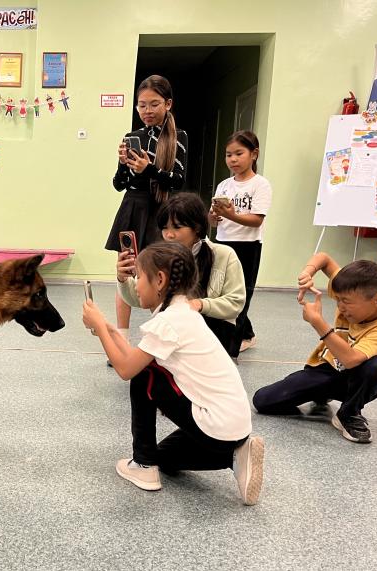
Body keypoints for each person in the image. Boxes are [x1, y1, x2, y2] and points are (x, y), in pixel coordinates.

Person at [83, 242, 264, 505]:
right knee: (164, 457)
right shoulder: (182, 313)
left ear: (159, 280)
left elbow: (126, 369)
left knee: (144, 376)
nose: (136, 286)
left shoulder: (168, 322)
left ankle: (143, 467)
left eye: (139, 278)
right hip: (231, 428)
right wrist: (110, 329)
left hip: (214, 426)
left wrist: (99, 327)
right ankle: (235, 457)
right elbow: (135, 356)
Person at [252, 253, 377, 444]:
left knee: (374, 367)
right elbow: (324, 258)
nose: (340, 306)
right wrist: (307, 273)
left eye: (345, 301)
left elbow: (351, 359)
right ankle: (320, 393)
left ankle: (349, 414)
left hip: (356, 379)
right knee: (263, 400)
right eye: (337, 299)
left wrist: (317, 322)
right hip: (326, 369)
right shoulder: (353, 288)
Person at [105, 75, 188, 347]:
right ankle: (122, 339)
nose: (147, 111)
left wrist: (148, 169)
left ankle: (157, 338)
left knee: (159, 275)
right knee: (126, 271)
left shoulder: (179, 137)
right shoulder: (132, 137)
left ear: (168, 104)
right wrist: (122, 165)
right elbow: (119, 185)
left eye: (154, 104)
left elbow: (178, 181)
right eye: (141, 105)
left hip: (162, 211)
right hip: (132, 208)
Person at [117, 192, 246, 357]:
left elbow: (235, 303)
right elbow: (137, 299)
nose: (169, 235)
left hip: (215, 337)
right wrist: (123, 278)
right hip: (173, 336)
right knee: (141, 378)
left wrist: (200, 304)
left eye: (177, 227)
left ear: (197, 228)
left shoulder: (223, 255)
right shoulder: (158, 258)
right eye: (164, 228)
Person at [210, 130, 272, 357]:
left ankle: (230, 350)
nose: (233, 159)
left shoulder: (260, 184)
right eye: (228, 155)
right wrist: (213, 217)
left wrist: (230, 215)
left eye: (239, 153)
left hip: (248, 245)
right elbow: (213, 220)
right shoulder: (224, 185)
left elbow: (256, 220)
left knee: (241, 296)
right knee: (220, 293)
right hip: (222, 244)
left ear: (253, 154)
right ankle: (247, 333)